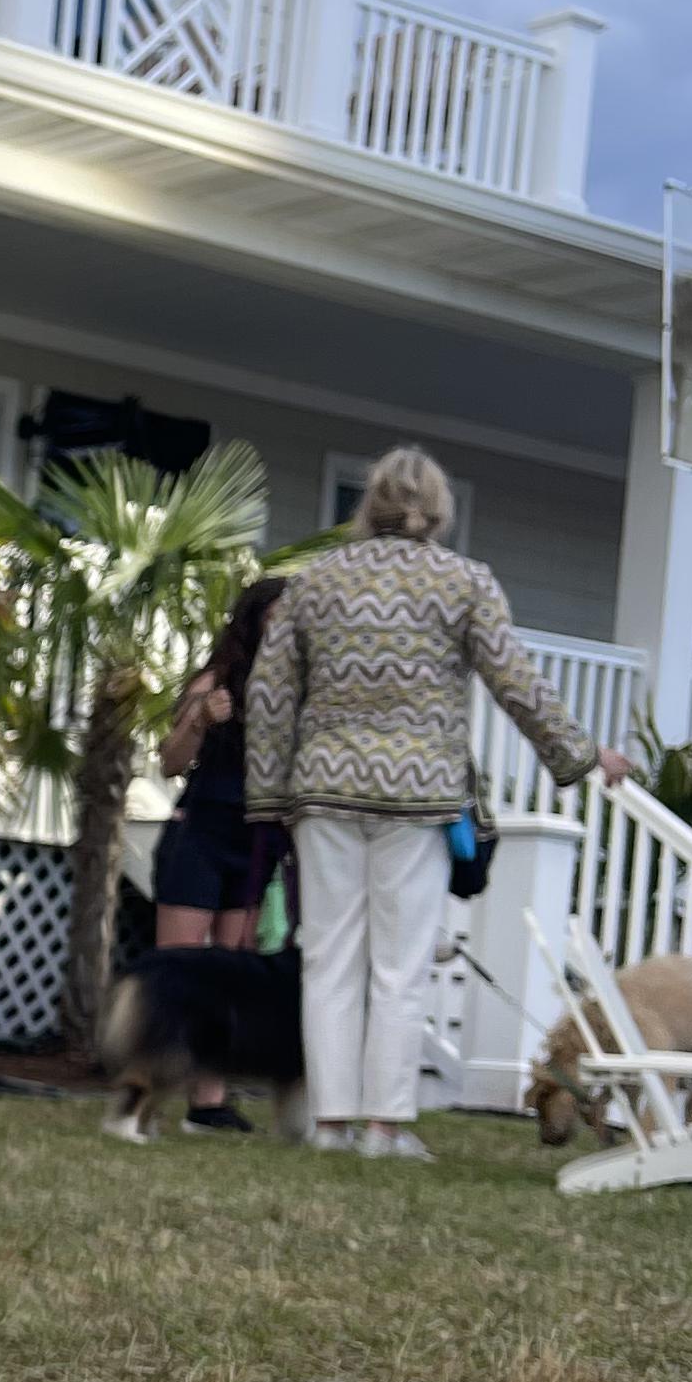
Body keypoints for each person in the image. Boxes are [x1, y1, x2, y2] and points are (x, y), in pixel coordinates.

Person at [248, 446, 629, 1158]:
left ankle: (331, 1125)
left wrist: (268, 795)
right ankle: (385, 1128)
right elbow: (516, 682)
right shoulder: (464, 583)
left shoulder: (315, 582)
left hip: (325, 790)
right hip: (417, 796)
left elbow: (270, 693)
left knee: (327, 959)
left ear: (371, 503)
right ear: (439, 509)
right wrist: (582, 756)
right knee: (400, 964)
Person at [151, 573, 289, 1129]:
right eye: (279, 613)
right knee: (181, 972)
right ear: (255, 619)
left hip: (257, 840)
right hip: (202, 834)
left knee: (231, 976)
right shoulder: (217, 680)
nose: (288, 623)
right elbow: (170, 761)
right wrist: (201, 720)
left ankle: (207, 1103)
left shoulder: (295, 688)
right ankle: (146, 1093)